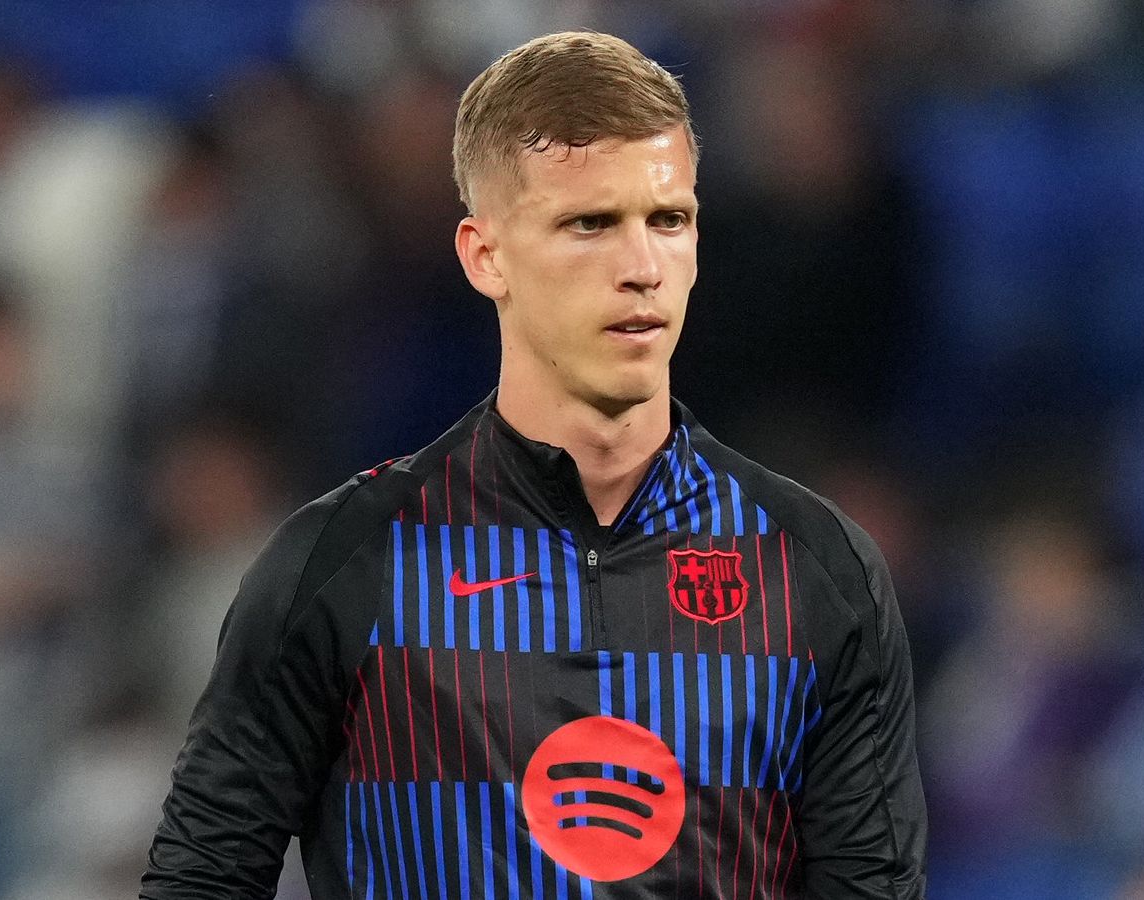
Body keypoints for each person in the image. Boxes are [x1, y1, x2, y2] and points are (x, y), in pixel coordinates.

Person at [141, 31, 926, 899]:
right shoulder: (343, 562)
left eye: (668, 220)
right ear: (486, 256)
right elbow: (202, 878)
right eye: (590, 223)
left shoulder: (818, 571)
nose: (642, 267)